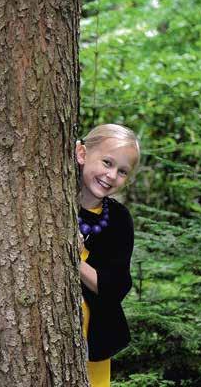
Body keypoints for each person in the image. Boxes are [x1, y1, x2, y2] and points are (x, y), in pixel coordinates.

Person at [76, 123, 140, 387]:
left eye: (122, 171)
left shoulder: (118, 220)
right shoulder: (49, 198)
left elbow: (116, 286)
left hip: (96, 338)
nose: (111, 175)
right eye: (106, 162)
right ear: (82, 154)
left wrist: (75, 260)